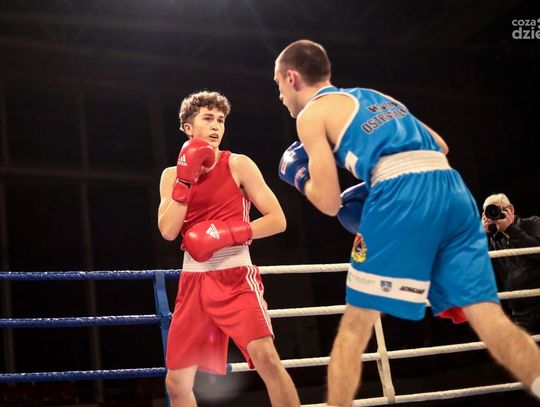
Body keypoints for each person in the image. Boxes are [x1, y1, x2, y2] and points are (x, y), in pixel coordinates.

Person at [273, 39, 540, 406]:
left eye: (278, 85)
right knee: (488, 316)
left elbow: (330, 202)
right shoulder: (375, 96)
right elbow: (441, 146)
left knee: (355, 328)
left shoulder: (311, 115)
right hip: (453, 190)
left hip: (402, 194)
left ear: (292, 78)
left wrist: (300, 176)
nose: (280, 96)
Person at [157, 90, 300, 407]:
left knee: (267, 359)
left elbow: (277, 220)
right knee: (177, 383)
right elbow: (168, 231)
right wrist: (185, 181)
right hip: (193, 282)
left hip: (235, 277)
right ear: (188, 127)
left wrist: (230, 233)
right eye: (207, 118)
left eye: (220, 120)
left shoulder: (238, 164)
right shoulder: (171, 176)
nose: (215, 126)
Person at [482, 193, 540, 333]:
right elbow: (477, 268)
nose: (494, 215)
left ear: (510, 209)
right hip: (520, 313)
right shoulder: (492, 240)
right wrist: (481, 234)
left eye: (496, 209)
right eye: (489, 212)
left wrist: (510, 229)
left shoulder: (533, 223)